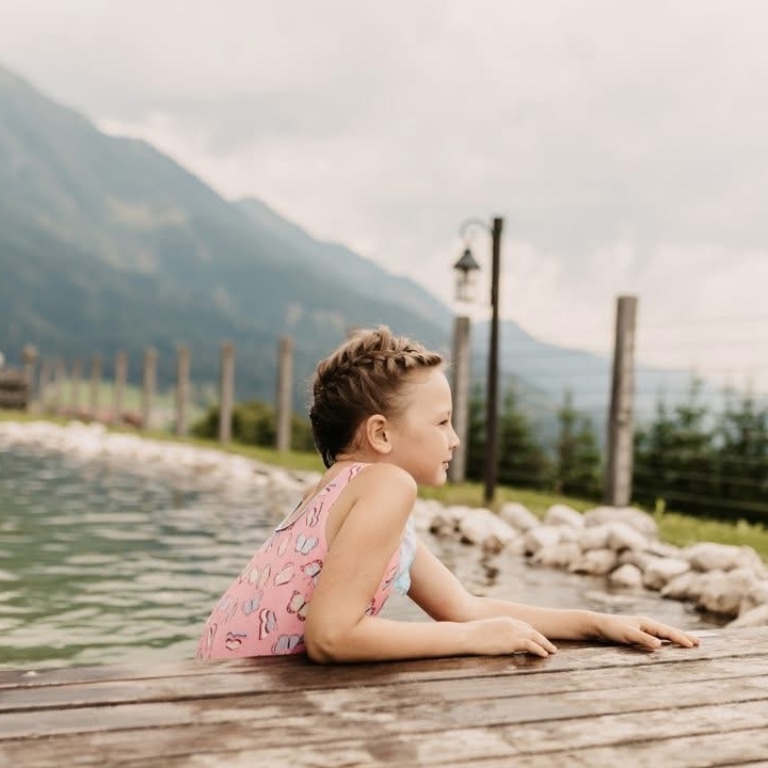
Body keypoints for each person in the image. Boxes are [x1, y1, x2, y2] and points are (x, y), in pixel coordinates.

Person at [197, 326, 700, 662]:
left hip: (223, 691)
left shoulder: (341, 489)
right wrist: (469, 641)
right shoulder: (387, 484)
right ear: (381, 434)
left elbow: (464, 605)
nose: (455, 439)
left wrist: (595, 623)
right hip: (243, 707)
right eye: (441, 422)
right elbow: (330, 636)